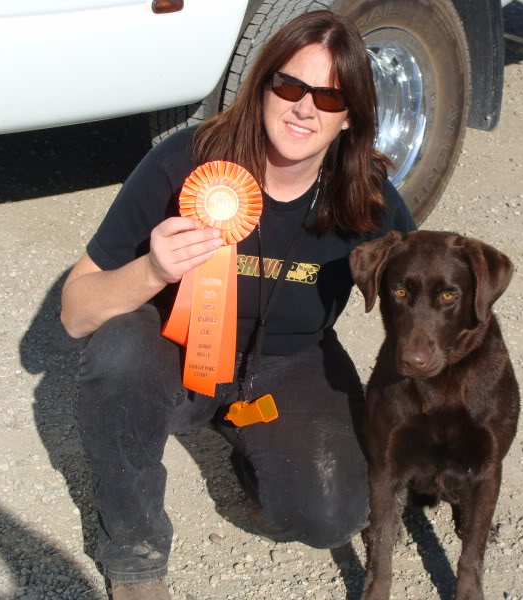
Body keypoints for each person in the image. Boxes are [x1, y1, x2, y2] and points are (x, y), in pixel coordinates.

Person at [60, 10, 416, 599]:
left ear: (349, 116)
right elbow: (76, 310)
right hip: (174, 349)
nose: (306, 107)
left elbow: (421, 299)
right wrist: (152, 270)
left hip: (288, 362)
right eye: (291, 85)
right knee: (119, 353)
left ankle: (256, 454)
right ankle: (134, 553)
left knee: (333, 514)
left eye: (329, 97)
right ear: (263, 86)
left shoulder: (366, 198)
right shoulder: (187, 159)